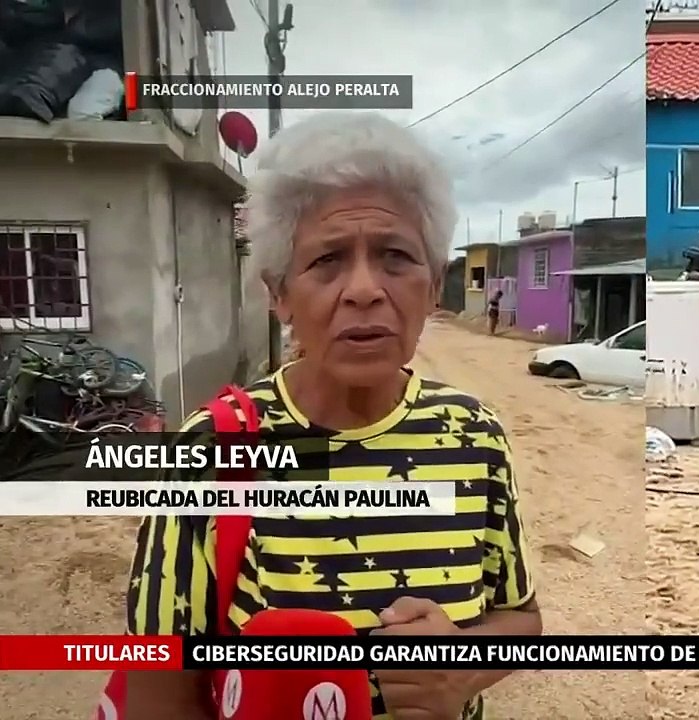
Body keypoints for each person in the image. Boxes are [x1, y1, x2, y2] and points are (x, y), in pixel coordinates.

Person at [124, 111, 541, 720]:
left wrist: (463, 669)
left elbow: (521, 616)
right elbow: (158, 681)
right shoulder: (211, 448)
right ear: (279, 293)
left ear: (433, 288)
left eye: (395, 255)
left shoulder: (475, 434)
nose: (364, 289)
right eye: (327, 260)